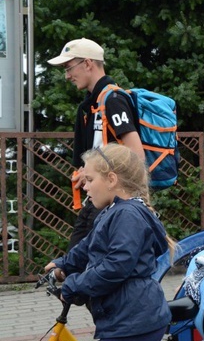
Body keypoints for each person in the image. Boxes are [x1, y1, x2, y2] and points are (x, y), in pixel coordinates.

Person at [43, 144, 180, 341]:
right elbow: (88, 247)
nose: (85, 188)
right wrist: (63, 265)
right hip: (136, 318)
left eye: (90, 180)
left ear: (112, 179)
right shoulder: (115, 211)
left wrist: (74, 285)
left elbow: (117, 265)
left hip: (130, 322)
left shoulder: (126, 215)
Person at [47, 38, 145, 250]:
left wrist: (100, 174)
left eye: (69, 67)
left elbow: (136, 155)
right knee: (72, 262)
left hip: (114, 202)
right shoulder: (91, 104)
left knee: (88, 265)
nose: (67, 75)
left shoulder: (113, 100)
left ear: (88, 64)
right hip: (98, 200)